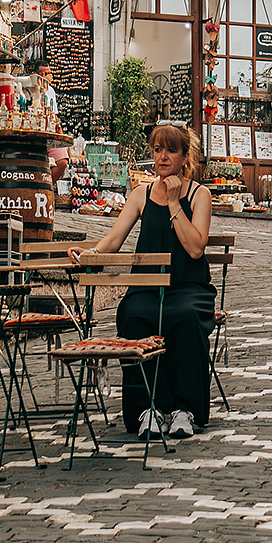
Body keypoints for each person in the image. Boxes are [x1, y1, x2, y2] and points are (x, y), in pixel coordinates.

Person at [73, 122, 216, 440]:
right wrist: (89, 254)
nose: (163, 156)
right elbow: (112, 241)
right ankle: (147, 408)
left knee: (187, 317)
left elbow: (195, 248)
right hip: (147, 289)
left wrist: (176, 203)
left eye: (171, 150)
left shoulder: (199, 195)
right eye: (157, 149)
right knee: (134, 314)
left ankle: (184, 409)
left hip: (189, 288)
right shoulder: (141, 195)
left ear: (184, 156)